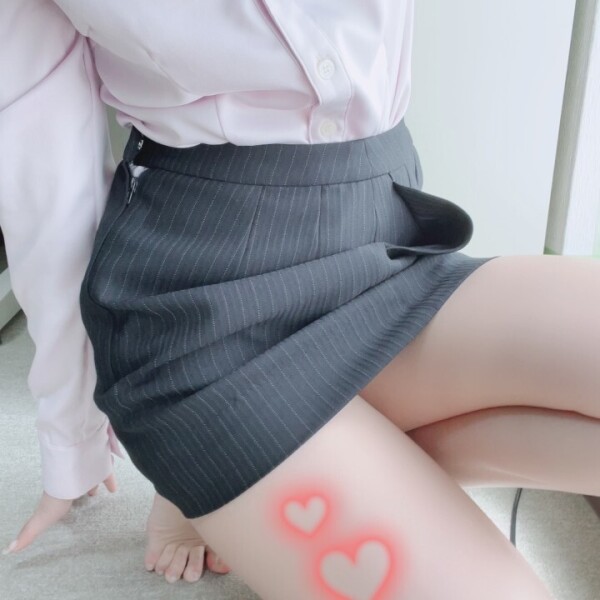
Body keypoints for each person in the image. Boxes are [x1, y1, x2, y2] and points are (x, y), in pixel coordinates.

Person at [1, 1, 598, 598]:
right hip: (199, 310)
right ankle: (232, 472)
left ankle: (230, 487)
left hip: (385, 246)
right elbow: (43, 171)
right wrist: (73, 434)